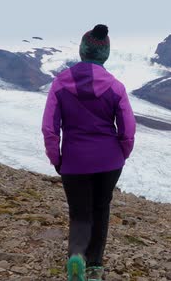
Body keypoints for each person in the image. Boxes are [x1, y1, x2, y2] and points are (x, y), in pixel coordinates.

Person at [42, 24, 136, 281]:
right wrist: (122, 154)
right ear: (104, 54)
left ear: (82, 51)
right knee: (101, 208)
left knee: (80, 212)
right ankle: (94, 266)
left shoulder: (60, 83)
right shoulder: (116, 87)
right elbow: (127, 129)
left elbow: (50, 128)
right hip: (109, 161)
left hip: (74, 161)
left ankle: (76, 255)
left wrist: (57, 159)